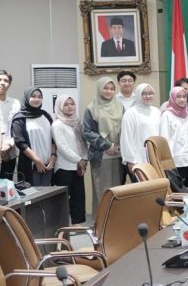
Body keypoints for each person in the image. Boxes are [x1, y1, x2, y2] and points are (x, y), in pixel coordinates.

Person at [82, 76, 123, 212]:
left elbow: (125, 128)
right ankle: (102, 221)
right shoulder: (91, 108)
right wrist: (107, 145)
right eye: (105, 88)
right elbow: (87, 132)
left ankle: (116, 221)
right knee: (103, 191)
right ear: (99, 89)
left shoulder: (120, 106)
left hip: (118, 154)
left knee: (118, 191)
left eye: (112, 89)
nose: (109, 91)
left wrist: (118, 146)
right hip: (101, 155)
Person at [51, 95, 88, 224]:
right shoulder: (57, 124)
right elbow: (62, 147)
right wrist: (79, 159)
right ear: (60, 107)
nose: (70, 107)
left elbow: (83, 143)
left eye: (72, 104)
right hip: (64, 167)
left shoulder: (77, 123)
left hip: (78, 167)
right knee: (64, 200)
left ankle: (78, 225)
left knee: (78, 198)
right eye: (66, 104)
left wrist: (84, 159)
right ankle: (63, 226)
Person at [10, 87, 55, 186]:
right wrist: (36, 160)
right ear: (27, 98)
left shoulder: (46, 116)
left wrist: (53, 156)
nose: (37, 99)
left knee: (49, 193)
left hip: (49, 164)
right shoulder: (19, 118)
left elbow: (53, 139)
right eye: (33, 96)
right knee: (32, 193)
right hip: (30, 165)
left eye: (39, 97)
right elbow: (20, 142)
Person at [160, 86, 188, 187]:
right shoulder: (167, 115)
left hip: (185, 159)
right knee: (175, 189)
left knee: (186, 188)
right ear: (172, 98)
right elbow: (164, 138)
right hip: (171, 160)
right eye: (178, 97)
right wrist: (166, 159)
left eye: (184, 96)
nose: (182, 99)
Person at [120, 83, 161, 173]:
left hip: (156, 158)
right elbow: (126, 138)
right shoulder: (131, 113)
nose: (148, 96)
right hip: (138, 159)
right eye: (144, 94)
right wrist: (131, 160)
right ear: (138, 94)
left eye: (150, 93)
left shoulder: (156, 111)